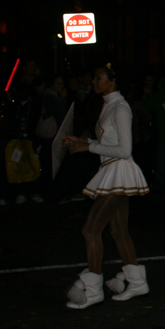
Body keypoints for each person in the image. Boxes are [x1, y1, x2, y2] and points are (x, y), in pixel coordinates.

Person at [62, 63, 150, 309]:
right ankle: (137, 282)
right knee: (118, 232)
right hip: (114, 171)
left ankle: (93, 291)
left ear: (112, 81)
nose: (93, 81)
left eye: (98, 77)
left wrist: (87, 146)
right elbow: (110, 141)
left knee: (90, 231)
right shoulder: (109, 104)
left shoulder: (120, 107)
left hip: (119, 172)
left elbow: (124, 150)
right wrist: (82, 140)